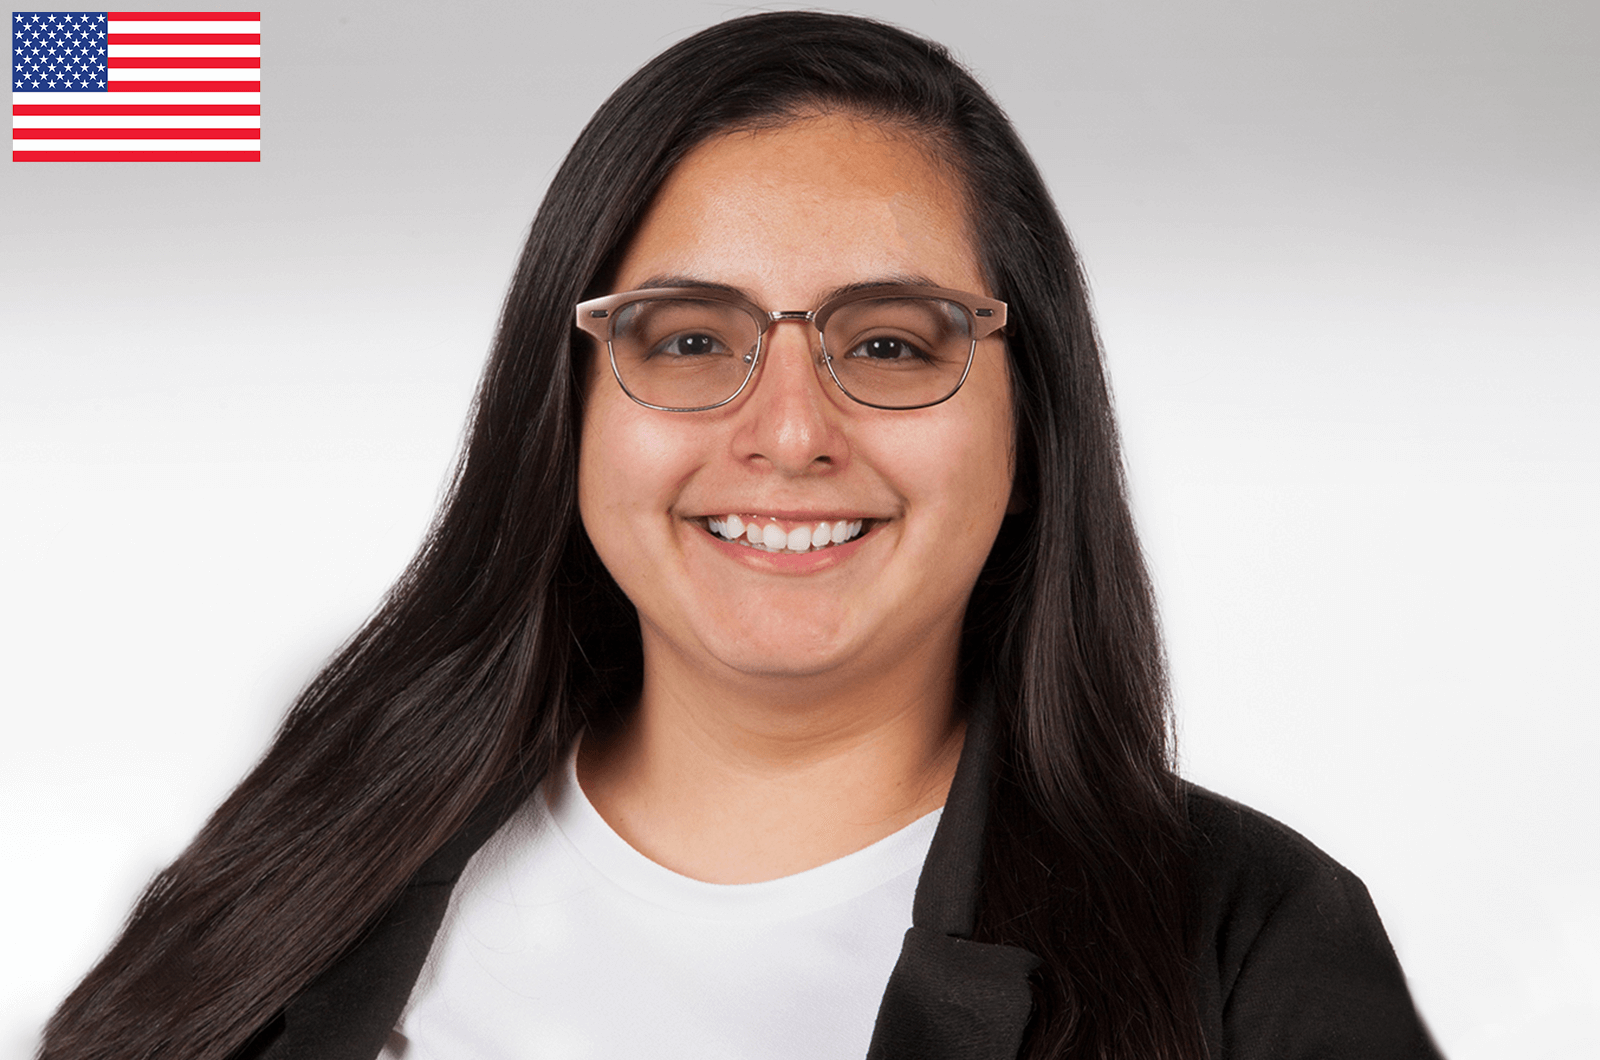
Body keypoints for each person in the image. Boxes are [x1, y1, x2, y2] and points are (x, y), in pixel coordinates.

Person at [39, 12, 1442, 1060]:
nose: (786, 432)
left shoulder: (1249, 944)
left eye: (890, 343)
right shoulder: (298, 867)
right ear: (568, 407)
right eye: (690, 336)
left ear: (1035, 425)